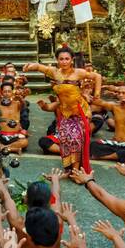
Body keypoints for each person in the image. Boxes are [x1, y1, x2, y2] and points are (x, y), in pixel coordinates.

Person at [23, 46, 92, 174]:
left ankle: (76, 171)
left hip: (80, 113)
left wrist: (97, 93)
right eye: (61, 59)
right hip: (63, 113)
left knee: (76, 139)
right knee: (65, 140)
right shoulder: (55, 73)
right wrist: (30, 65)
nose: (64, 61)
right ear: (57, 60)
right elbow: (39, 67)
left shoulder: (79, 72)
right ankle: (68, 169)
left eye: (67, 59)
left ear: (72, 60)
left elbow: (97, 77)